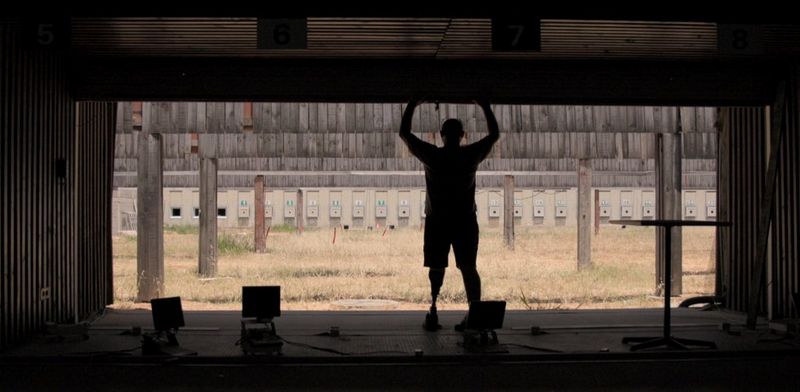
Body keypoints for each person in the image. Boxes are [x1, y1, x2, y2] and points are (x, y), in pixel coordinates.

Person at [399, 97, 500, 331]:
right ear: (463, 135)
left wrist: (413, 103)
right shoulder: (470, 156)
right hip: (465, 221)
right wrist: (484, 104)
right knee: (468, 268)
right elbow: (494, 135)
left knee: (436, 266)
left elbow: (404, 133)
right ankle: (474, 314)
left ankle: (433, 309)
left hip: (438, 221)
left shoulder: (434, 156)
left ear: (441, 135)